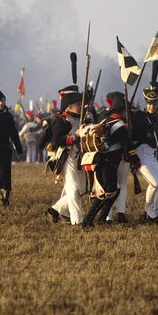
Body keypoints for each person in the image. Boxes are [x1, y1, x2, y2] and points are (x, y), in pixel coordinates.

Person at [84, 92, 137, 227]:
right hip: (107, 162)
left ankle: (102, 219)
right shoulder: (119, 125)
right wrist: (135, 159)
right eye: (125, 110)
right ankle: (87, 222)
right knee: (107, 193)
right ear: (121, 110)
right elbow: (126, 147)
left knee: (114, 191)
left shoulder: (105, 121)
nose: (127, 112)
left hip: (102, 160)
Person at [130, 85, 158, 224]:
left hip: (151, 155)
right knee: (154, 184)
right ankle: (148, 212)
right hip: (141, 155)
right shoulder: (139, 116)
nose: (151, 106)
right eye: (149, 104)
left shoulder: (157, 118)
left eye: (154, 104)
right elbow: (134, 131)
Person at [46, 85, 86, 225]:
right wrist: (74, 136)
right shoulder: (60, 120)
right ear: (68, 106)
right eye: (76, 104)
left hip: (81, 157)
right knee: (73, 189)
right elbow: (57, 139)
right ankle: (77, 221)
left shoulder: (82, 118)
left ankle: (56, 209)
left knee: (83, 188)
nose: (79, 106)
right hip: (67, 156)